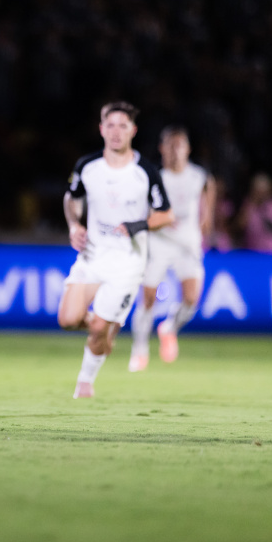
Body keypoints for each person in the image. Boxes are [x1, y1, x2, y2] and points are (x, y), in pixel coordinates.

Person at [57, 101, 174, 399]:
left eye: (123, 125)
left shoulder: (145, 171)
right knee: (68, 320)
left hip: (127, 263)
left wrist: (138, 225)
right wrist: (73, 225)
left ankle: (85, 383)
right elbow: (72, 198)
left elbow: (166, 214)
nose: (116, 132)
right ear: (101, 129)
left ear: (133, 130)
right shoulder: (87, 166)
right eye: (110, 125)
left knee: (98, 329)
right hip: (92, 255)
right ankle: (104, 329)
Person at [129, 126, 215, 371]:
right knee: (148, 299)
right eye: (171, 145)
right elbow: (143, 212)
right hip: (160, 242)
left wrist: (207, 224)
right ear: (162, 148)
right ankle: (140, 349)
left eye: (180, 145)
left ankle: (169, 328)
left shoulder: (199, 177)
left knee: (191, 300)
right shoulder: (155, 177)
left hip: (188, 244)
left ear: (188, 149)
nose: (176, 150)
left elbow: (209, 196)